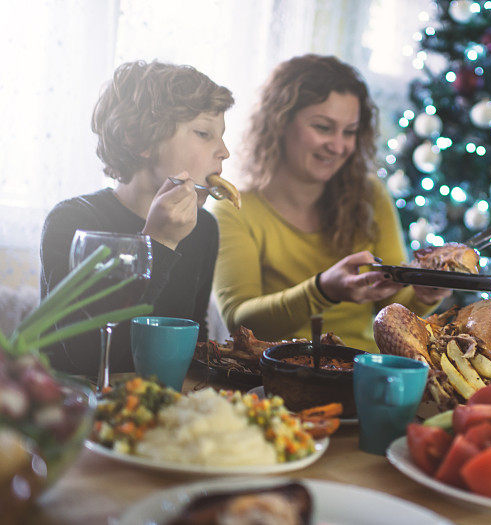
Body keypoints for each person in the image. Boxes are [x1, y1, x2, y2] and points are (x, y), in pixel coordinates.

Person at [211, 55, 449, 352]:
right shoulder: (234, 209)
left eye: (349, 132)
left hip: (364, 372)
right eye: (323, 127)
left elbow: (391, 306)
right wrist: (322, 290)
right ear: (280, 122)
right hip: (273, 378)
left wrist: (423, 294)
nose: (338, 146)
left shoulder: (369, 195)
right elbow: (240, 321)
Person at [40, 60, 234, 377]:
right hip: (74, 405)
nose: (225, 150)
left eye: (222, 135)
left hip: (157, 404)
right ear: (138, 139)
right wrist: (159, 241)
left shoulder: (204, 228)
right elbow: (87, 354)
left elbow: (192, 338)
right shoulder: (73, 221)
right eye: (203, 133)